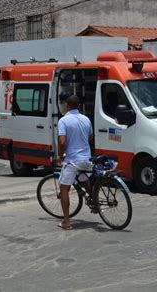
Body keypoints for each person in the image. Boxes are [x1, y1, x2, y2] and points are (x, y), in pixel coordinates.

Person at [57, 95, 93, 230]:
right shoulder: (86, 119)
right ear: (78, 105)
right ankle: (94, 201)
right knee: (84, 179)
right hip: (86, 158)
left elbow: (61, 142)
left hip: (72, 159)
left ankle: (66, 221)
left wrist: (60, 156)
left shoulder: (64, 121)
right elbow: (90, 137)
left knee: (64, 188)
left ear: (67, 105)